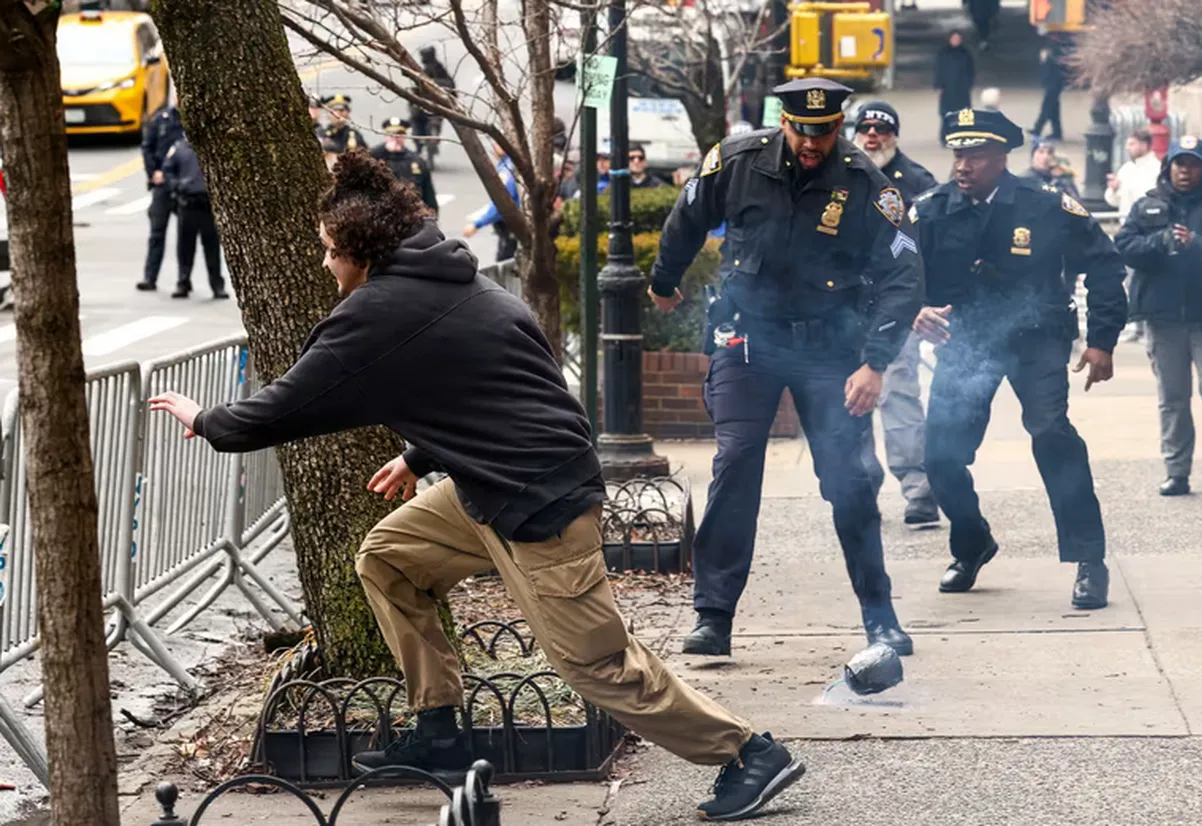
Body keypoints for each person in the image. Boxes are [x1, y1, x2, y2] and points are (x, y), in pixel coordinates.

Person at [148, 152, 805, 823]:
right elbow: (486, 386)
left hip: (540, 503)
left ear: (361, 251)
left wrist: (208, 420)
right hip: (487, 488)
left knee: (597, 667)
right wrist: (421, 454)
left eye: (329, 251)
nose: (324, 264)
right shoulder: (457, 280)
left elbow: (289, 404)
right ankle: (439, 732)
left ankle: (748, 754)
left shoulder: (378, 313)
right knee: (388, 558)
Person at [649, 78, 924, 658]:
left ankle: (880, 617)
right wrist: (664, 280)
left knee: (849, 481)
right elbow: (688, 215)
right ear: (784, 123)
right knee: (736, 462)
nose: (811, 144)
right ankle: (713, 616)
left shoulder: (866, 183)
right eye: (802, 132)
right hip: (748, 340)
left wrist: (875, 363)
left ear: (838, 127)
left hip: (830, 350)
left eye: (823, 133)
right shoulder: (738, 161)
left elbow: (904, 277)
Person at [912, 108, 1127, 609]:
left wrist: (1102, 340)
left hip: (1036, 338)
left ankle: (1089, 560)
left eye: (975, 154)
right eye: (958, 153)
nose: (963, 164)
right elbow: (893, 270)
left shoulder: (1045, 204)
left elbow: (1104, 265)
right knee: (940, 454)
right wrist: (913, 310)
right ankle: (972, 543)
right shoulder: (931, 209)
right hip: (967, 341)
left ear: (1002, 157)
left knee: (1052, 435)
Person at [1114, 136, 1202, 498]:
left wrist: (1197, 244)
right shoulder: (1148, 206)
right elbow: (1124, 246)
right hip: (1163, 319)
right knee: (1172, 397)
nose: (1185, 171)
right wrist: (1160, 242)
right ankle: (1177, 472)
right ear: (1168, 167)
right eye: (1179, 163)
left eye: (1193, 164)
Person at [848, 100, 939, 525]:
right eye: (865, 128)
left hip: (896, 304)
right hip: (844, 306)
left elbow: (931, 251)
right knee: (849, 399)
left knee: (899, 394)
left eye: (881, 130)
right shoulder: (835, 174)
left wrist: (921, 302)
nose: (872, 136)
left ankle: (919, 488)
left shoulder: (917, 181)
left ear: (894, 136)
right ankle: (861, 486)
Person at [1106, 129, 1162, 343]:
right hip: (1128, 231)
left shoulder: (1155, 169)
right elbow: (1113, 200)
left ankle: (1147, 326)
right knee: (1129, 280)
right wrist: (1114, 189)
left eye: (1132, 144)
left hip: (1148, 232)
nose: (1128, 148)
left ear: (1144, 145)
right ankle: (1134, 325)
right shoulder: (1127, 169)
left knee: (1145, 280)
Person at [162, 137, 227, 300]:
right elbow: (168, 170)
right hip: (188, 203)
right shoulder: (179, 147)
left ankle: (217, 284)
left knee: (212, 247)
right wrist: (177, 186)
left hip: (208, 204)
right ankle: (183, 281)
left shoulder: (211, 145)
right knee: (185, 247)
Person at [137, 98, 183, 292]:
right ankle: (150, 277)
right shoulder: (162, 119)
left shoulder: (196, 120)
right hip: (163, 184)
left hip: (186, 185)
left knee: (187, 235)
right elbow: (147, 147)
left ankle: (184, 281)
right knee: (157, 233)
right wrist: (153, 172)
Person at [462, 142, 518, 262]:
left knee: (506, 262)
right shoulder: (508, 164)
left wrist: (477, 224)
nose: (495, 146)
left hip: (512, 226)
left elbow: (501, 202)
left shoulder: (507, 169)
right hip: (512, 225)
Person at [372, 118, 440, 214]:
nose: (395, 137)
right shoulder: (374, 157)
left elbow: (429, 196)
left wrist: (432, 215)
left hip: (411, 214)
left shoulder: (416, 161)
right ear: (385, 136)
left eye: (399, 134)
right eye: (391, 134)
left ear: (404, 136)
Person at [934, 31, 975, 146]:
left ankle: (965, 137)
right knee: (946, 114)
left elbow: (971, 70)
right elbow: (938, 69)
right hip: (948, 89)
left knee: (964, 113)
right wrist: (938, 85)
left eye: (958, 39)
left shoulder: (965, 53)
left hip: (962, 89)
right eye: (954, 38)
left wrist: (970, 84)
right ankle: (945, 137)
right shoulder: (943, 53)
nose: (956, 41)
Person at [1030, 43, 1066, 140]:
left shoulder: (1052, 59)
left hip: (1053, 87)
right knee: (1053, 110)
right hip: (1054, 86)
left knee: (1046, 108)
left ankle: (1038, 129)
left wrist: (1045, 60)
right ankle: (1056, 132)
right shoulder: (1053, 58)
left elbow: (1050, 73)